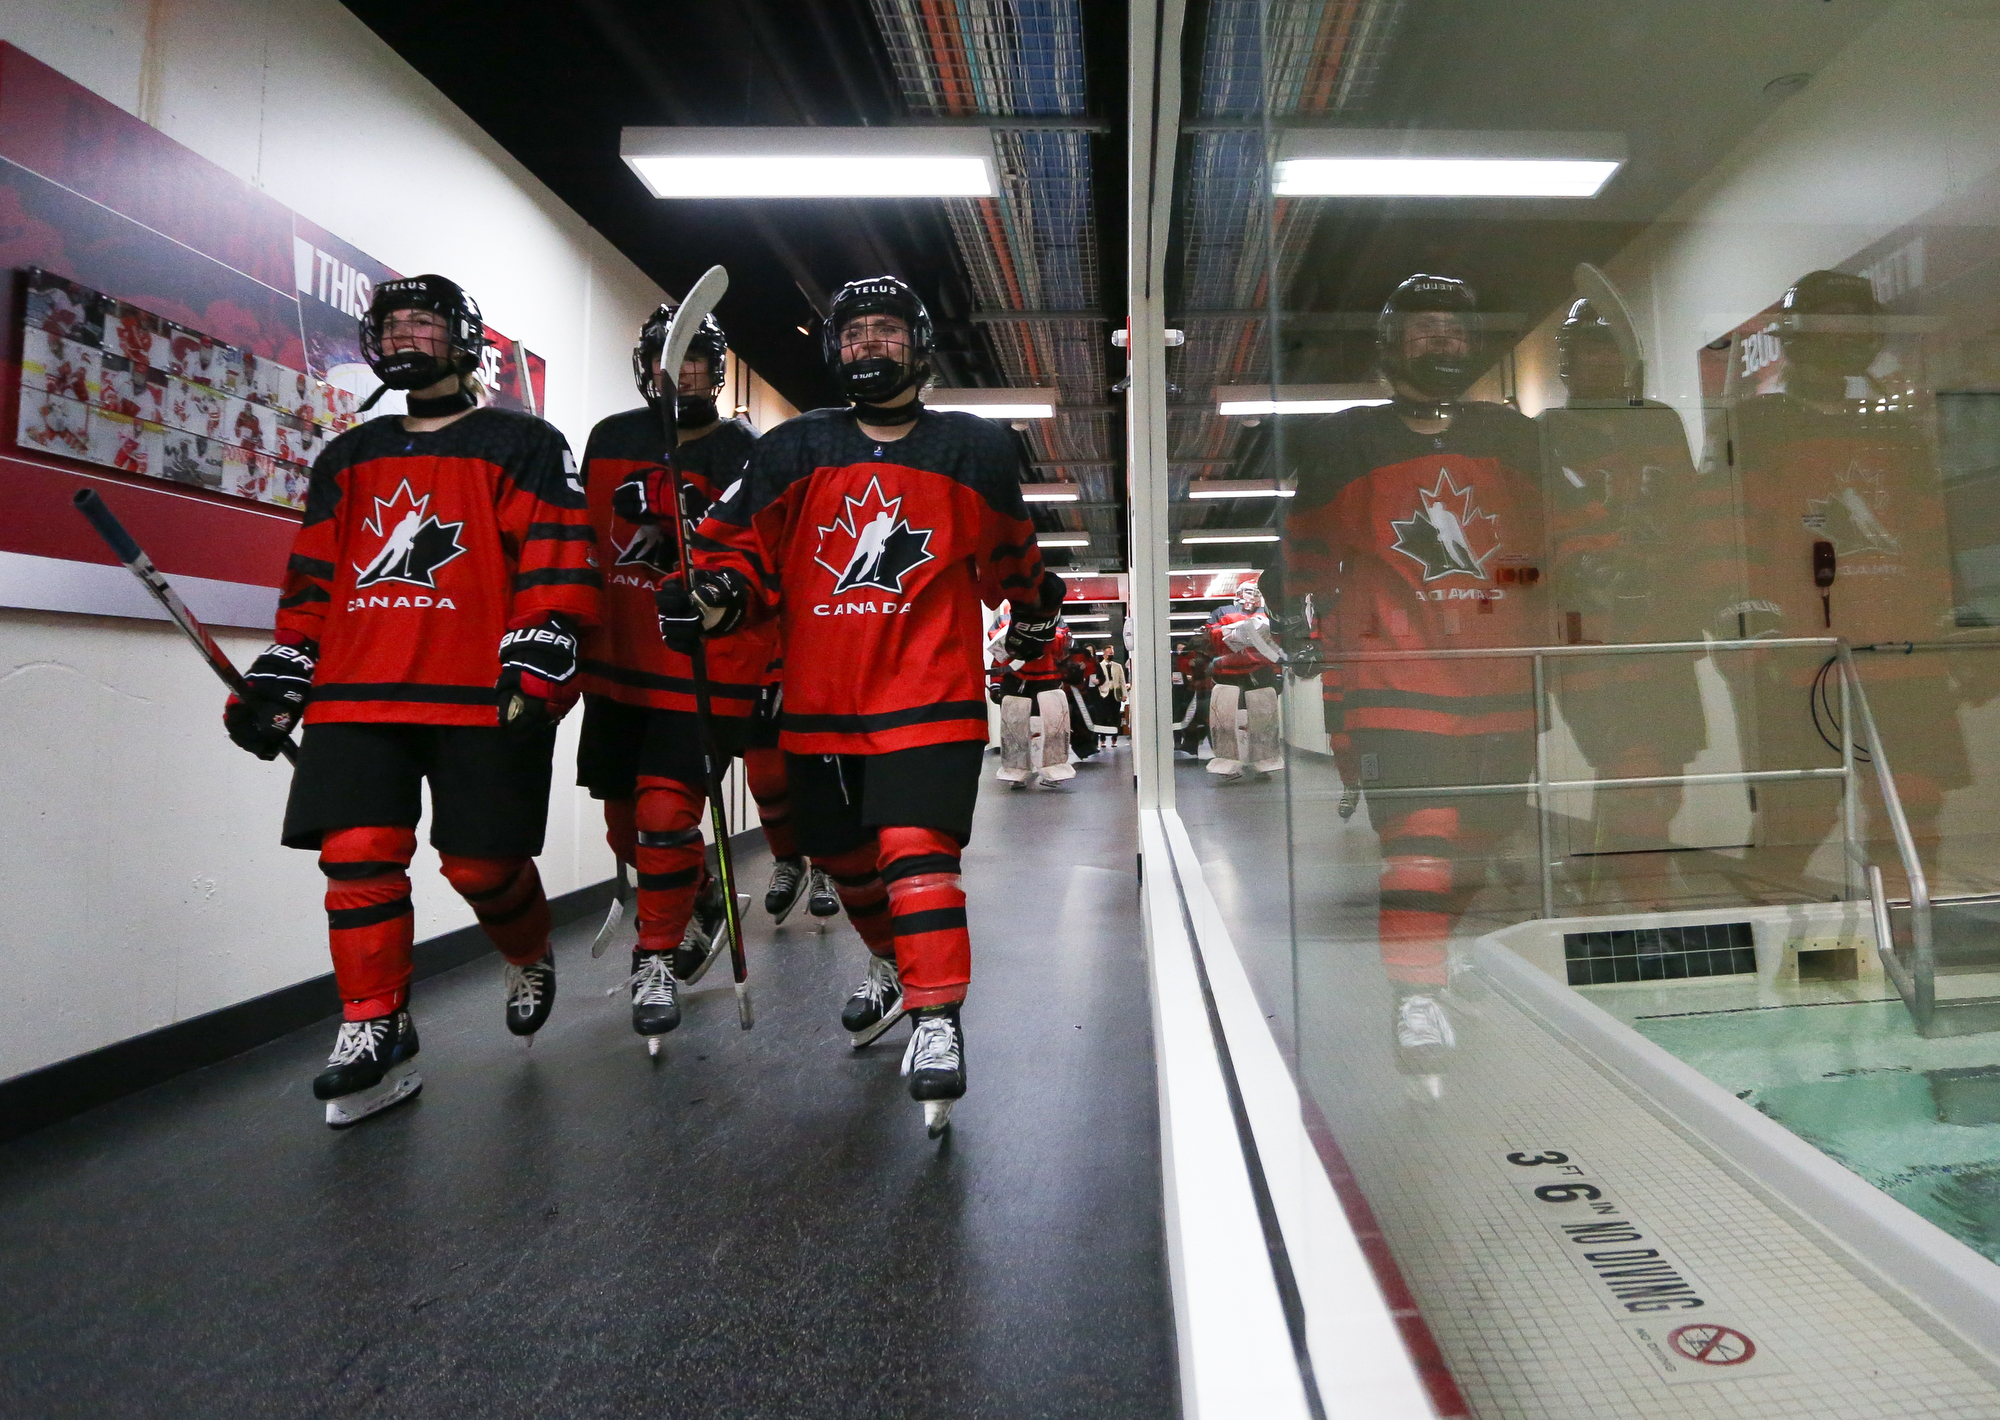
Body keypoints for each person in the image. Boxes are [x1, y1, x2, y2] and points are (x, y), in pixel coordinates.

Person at [666, 274, 1064, 1135]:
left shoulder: (972, 449)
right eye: (853, 335)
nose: (867, 346)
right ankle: (893, 963)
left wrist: (1036, 611)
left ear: (919, 348)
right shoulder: (792, 449)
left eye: (886, 330)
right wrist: (710, 598)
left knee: (916, 852)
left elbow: (1016, 564)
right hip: (818, 708)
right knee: (847, 864)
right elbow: (736, 558)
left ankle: (936, 1018)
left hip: (929, 699)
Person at [224, 275, 600, 1127]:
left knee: (479, 865)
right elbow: (314, 575)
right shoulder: (348, 457)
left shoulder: (525, 443)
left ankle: (528, 947)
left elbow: (557, 554)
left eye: (425, 325)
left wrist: (546, 644)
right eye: (394, 325)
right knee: (357, 857)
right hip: (360, 693)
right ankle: (374, 1024)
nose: (407, 339)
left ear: (464, 341)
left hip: (479, 693)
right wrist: (288, 664)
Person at [1283, 273, 1545, 1087]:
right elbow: (1305, 547)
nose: (1443, 341)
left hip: (1499, 677)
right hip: (1394, 674)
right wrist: (1290, 609)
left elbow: (1553, 543)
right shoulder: (1345, 439)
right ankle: (1415, 991)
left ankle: (1430, 949)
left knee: (1488, 830)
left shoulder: (1512, 436)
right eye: (1425, 327)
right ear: (1391, 344)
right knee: (1422, 837)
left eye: (1455, 329)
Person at [572, 304, 812, 1053]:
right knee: (623, 825)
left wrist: (770, 661)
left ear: (720, 369)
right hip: (618, 668)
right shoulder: (611, 439)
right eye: (669, 363)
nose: (683, 376)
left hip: (702, 672)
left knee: (665, 813)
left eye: (701, 362)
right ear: (644, 368)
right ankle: (699, 889)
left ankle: (656, 956)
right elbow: (583, 543)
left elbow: (770, 564)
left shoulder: (747, 450)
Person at [1710, 270, 1968, 893]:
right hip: (1802, 651)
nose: (1839, 334)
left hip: (1902, 646)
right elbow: (1725, 530)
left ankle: (1906, 944)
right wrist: (1745, 621)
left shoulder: (1896, 428)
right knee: (1797, 814)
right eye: (1827, 321)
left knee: (1913, 802)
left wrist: (1958, 620)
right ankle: (1764, 938)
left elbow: (1932, 531)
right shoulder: (1756, 424)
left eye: (1851, 321)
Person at [1539, 294, 1716, 883]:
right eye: (1589, 349)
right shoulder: (1546, 433)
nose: (1603, 362)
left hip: (1663, 625)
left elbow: (1686, 513)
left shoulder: (1659, 422)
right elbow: (1535, 528)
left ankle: (1599, 878)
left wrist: (1708, 600)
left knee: (1665, 772)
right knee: (1632, 767)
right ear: (1567, 362)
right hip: (1591, 635)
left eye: (1611, 348)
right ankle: (1646, 900)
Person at [1203, 580, 1286, 782]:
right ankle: (1226, 762)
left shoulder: (1268, 612)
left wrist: (1277, 672)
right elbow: (1212, 636)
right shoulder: (1222, 611)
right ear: (1238, 593)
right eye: (1248, 592)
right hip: (1228, 673)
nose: (1252, 596)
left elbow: (1278, 641)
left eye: (1256, 592)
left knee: (1264, 718)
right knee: (1223, 718)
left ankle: (1264, 761)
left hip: (1261, 672)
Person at [992, 610, 1076, 789]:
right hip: (1015, 678)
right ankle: (1015, 769)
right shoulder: (1005, 619)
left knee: (1053, 726)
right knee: (1014, 727)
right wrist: (996, 684)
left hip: (1048, 679)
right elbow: (998, 653)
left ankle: (1054, 769)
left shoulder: (1055, 619)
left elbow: (1063, 647)